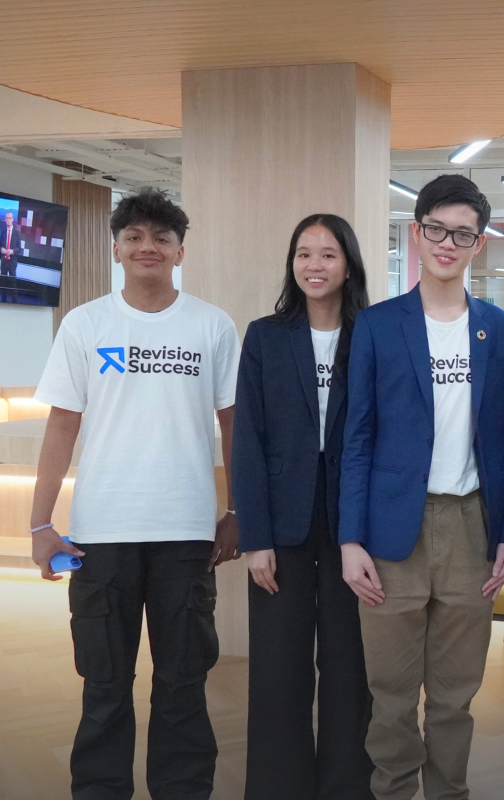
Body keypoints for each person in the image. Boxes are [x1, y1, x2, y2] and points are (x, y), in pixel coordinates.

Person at [28, 187, 241, 799]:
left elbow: (233, 425)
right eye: (135, 237)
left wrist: (236, 511)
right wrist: (42, 524)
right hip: (101, 537)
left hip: (186, 535)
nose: (148, 247)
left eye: (162, 238)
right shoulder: (86, 323)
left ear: (180, 250)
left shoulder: (211, 324)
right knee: (103, 684)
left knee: (183, 683)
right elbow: (62, 425)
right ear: (117, 248)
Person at [338, 174, 504, 800]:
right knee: (390, 696)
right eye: (437, 230)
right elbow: (356, 437)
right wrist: (349, 539)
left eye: (463, 234)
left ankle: (450, 792)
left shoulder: (498, 329)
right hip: (392, 531)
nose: (449, 243)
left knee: (454, 696)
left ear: (478, 243)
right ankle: (393, 792)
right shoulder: (377, 324)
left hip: (473, 527)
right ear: (417, 235)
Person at [232, 214, 374, 799]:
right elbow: (248, 438)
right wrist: (254, 536)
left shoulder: (373, 332)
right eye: (304, 254)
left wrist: (369, 532)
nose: (314, 265)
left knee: (349, 667)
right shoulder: (266, 335)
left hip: (353, 523)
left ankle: (347, 786)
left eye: (328, 255)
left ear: (349, 265)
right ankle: (278, 787)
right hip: (281, 524)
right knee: (278, 667)